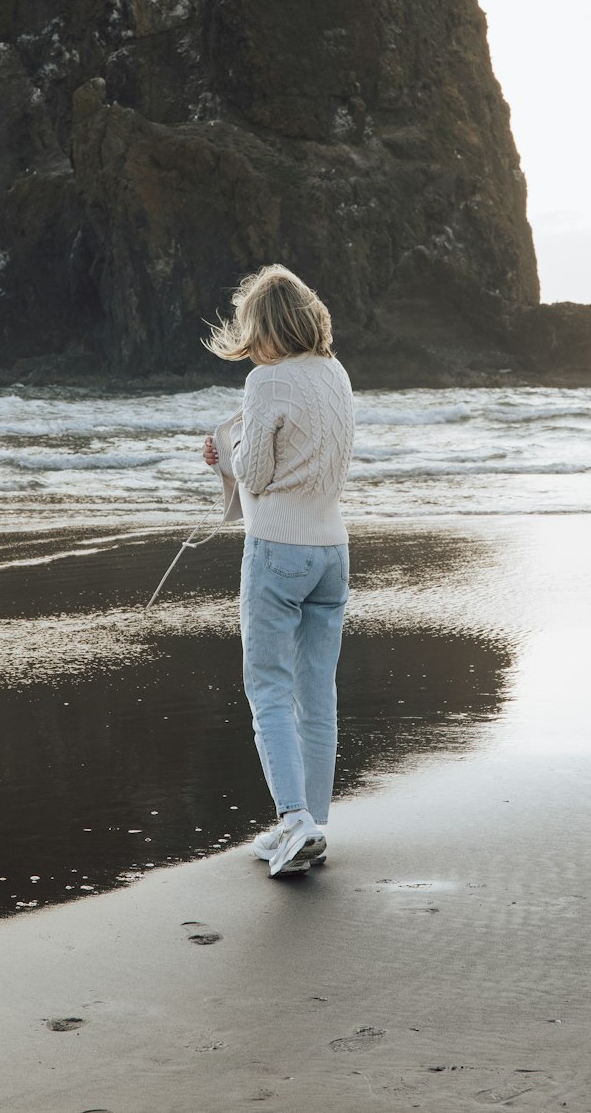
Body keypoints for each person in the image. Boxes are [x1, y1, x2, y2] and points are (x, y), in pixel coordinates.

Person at [202, 265, 355, 877]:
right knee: (317, 695)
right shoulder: (336, 373)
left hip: (278, 552)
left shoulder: (266, 382)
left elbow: (258, 473)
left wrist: (226, 454)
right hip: (332, 552)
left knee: (268, 688)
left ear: (261, 328)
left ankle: (294, 819)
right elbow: (316, 455)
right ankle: (310, 825)